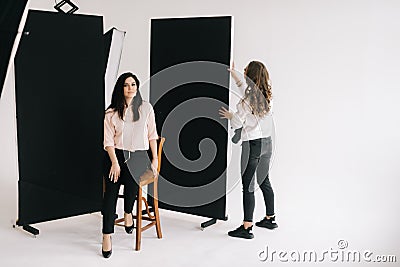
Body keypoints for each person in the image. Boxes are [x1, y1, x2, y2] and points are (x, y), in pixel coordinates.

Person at [101, 72, 159, 258]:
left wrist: (155, 160)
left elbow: (152, 136)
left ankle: (128, 212)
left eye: (133, 84)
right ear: (121, 88)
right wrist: (115, 163)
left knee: (133, 176)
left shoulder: (146, 108)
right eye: (126, 85)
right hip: (115, 157)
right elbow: (108, 142)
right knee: (111, 190)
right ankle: (106, 235)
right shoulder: (111, 113)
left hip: (139, 156)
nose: (130, 88)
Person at [219, 61, 277, 239]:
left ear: (251, 76)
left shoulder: (246, 102)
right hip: (267, 143)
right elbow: (244, 88)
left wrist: (231, 115)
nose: (243, 72)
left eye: (245, 71)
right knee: (264, 180)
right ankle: (270, 218)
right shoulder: (267, 97)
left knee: (248, 185)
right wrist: (234, 74)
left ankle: (247, 227)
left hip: (253, 145)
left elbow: (237, 122)